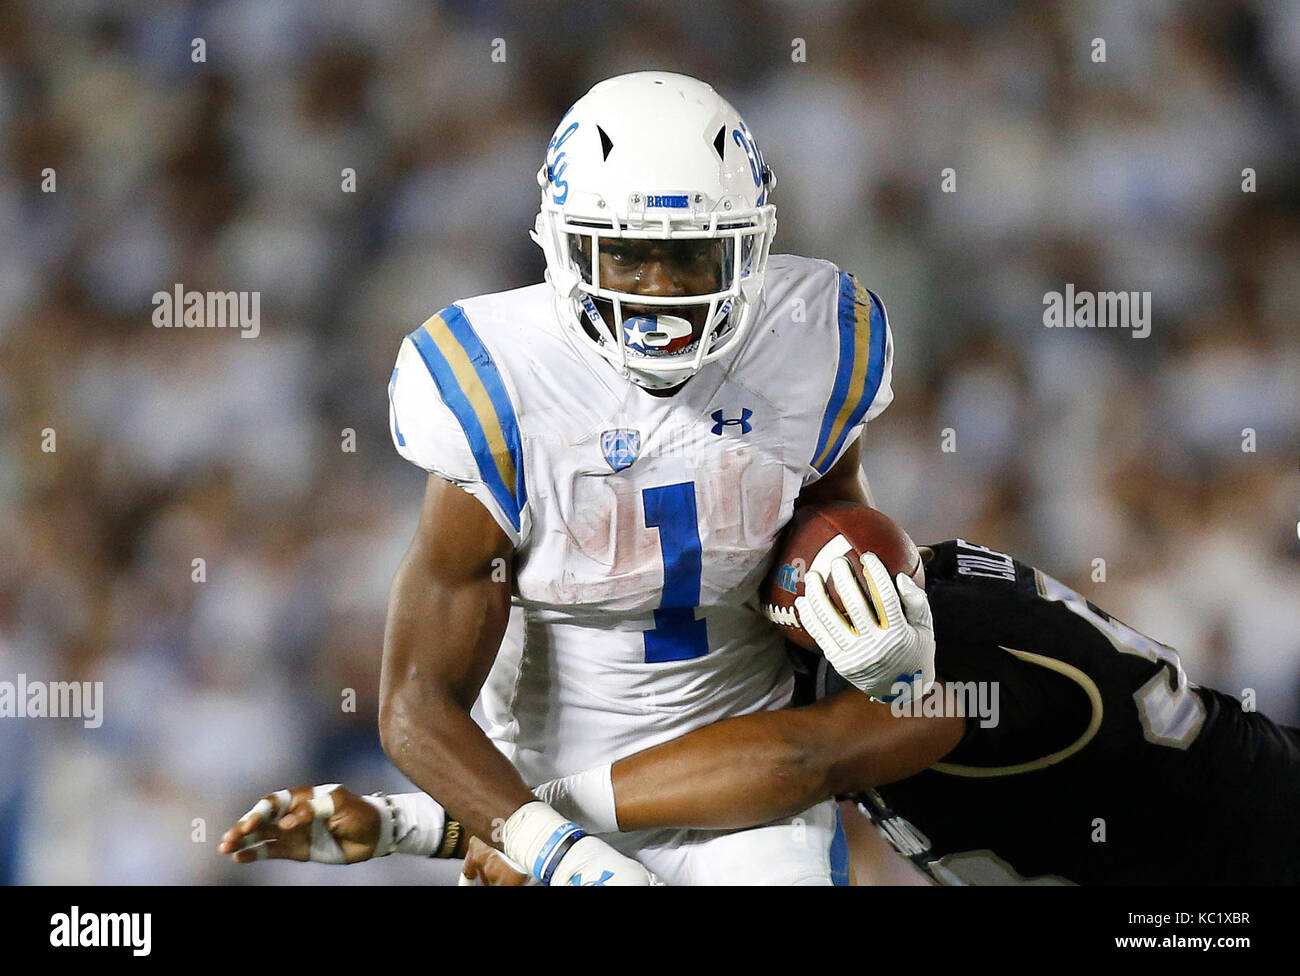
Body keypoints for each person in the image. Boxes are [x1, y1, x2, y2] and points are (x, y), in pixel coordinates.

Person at [363, 70, 925, 885]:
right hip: (543, 794)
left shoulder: (817, 335)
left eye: (692, 256)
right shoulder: (496, 382)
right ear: (562, 243)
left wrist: (874, 616)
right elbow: (414, 704)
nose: (659, 292)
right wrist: (552, 849)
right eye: (625, 255)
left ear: (750, 243)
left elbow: (829, 517)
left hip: (745, 777)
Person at [223, 540, 1300, 885]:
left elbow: (799, 755)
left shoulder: (958, 668)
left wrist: (519, 827)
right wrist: (421, 823)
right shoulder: (880, 588)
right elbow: (683, 779)